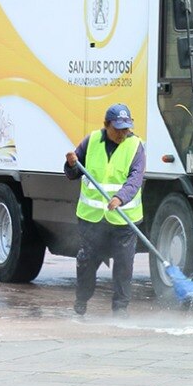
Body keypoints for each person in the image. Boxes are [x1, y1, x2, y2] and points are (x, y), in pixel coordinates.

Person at [64, 103, 146, 316]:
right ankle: (82, 299)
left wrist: (121, 197)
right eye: (118, 129)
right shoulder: (91, 141)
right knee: (87, 262)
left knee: (124, 265)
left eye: (126, 129)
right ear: (106, 125)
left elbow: (135, 179)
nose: (122, 133)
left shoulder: (135, 146)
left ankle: (120, 309)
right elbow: (73, 173)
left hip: (124, 219)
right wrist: (71, 164)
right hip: (91, 218)